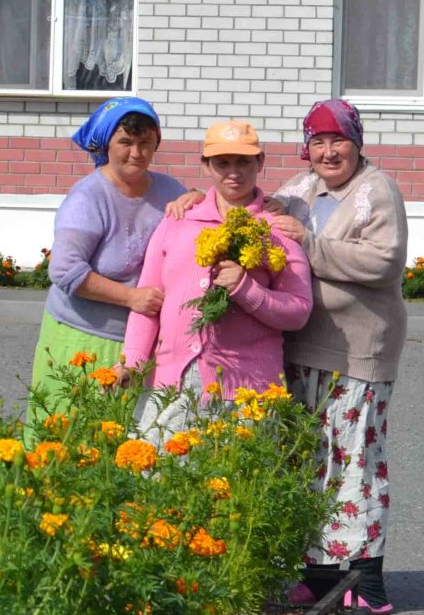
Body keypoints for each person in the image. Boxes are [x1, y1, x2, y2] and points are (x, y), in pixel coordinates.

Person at [266, 100, 408, 614]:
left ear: (357, 142)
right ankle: (321, 575)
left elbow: (383, 261)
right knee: (311, 460)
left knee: (355, 462)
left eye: (338, 140)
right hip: (303, 346)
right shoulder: (302, 190)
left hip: (358, 352)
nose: (328, 151)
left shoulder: (376, 190)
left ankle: (368, 582)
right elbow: (256, 209)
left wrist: (306, 245)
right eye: (318, 141)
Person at [121, 120, 313, 431]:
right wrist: (132, 362)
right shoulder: (179, 220)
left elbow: (298, 312)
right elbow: (148, 299)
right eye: (222, 163)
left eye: (243, 162)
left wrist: (246, 289)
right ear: (206, 166)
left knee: (237, 479)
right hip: (171, 385)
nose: (233, 172)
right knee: (156, 476)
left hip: (248, 391)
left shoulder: (277, 228)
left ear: (260, 162)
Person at [28, 98, 199, 427]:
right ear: (107, 144)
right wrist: (132, 297)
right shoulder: (88, 198)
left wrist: (198, 198)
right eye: (126, 142)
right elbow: (65, 270)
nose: (136, 153)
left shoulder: (168, 190)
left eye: (145, 143)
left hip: (139, 344)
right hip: (81, 339)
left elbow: (198, 222)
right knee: (67, 436)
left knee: (121, 450)